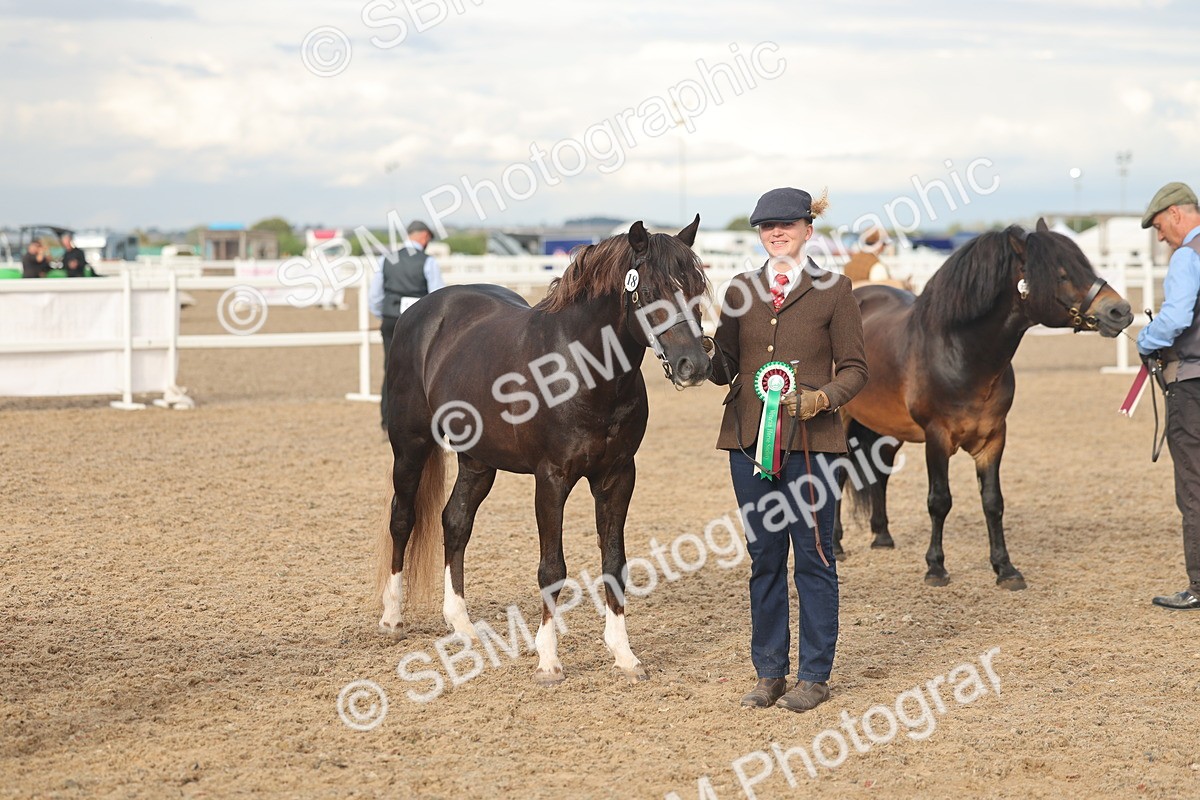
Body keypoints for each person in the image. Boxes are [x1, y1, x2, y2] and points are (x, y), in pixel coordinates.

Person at [707, 187, 868, 711]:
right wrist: (697, 347)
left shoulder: (835, 289)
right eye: (767, 227)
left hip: (812, 445)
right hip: (748, 444)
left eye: (787, 225)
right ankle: (769, 672)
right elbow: (724, 367)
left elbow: (855, 369)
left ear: (807, 230)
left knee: (814, 558)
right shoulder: (740, 289)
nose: (777, 233)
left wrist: (823, 399)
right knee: (764, 558)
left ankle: (814, 676)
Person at [1138, 181, 1200, 611]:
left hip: (1192, 383)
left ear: (1176, 213)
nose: (1161, 237)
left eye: (1160, 226)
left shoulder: (1187, 256)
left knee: (1194, 485)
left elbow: (1176, 317)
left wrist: (1146, 339)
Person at [369, 220, 445, 430]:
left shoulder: (386, 259)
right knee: (422, 370)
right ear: (424, 236)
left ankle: (387, 421)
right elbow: (437, 295)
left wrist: (385, 314)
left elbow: (374, 296)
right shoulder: (428, 262)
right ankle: (421, 420)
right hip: (419, 323)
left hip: (391, 319)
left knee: (391, 368)